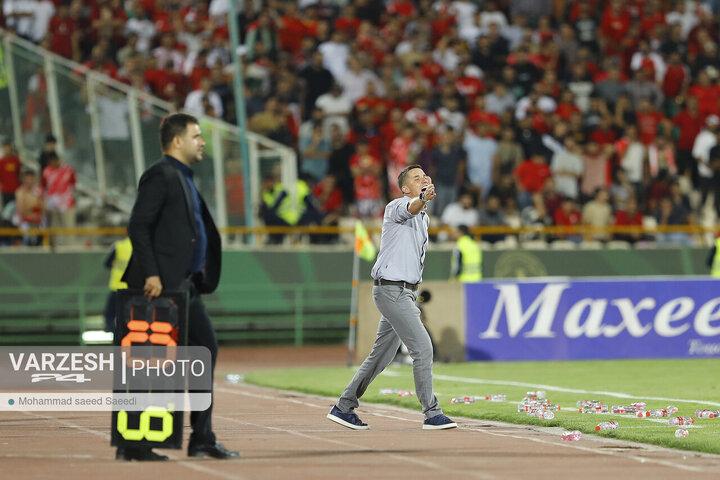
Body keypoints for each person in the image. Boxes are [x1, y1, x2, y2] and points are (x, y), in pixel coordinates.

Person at [120, 113, 238, 461]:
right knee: (151, 364)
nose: (202, 142)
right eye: (197, 136)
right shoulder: (161, 174)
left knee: (204, 351)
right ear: (177, 141)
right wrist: (152, 274)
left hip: (185, 288)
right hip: (160, 288)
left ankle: (202, 437)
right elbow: (138, 227)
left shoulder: (183, 178)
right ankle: (136, 444)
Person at [327, 164, 457, 431]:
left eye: (425, 176)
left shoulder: (424, 218)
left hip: (404, 293)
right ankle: (431, 413)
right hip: (391, 289)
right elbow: (410, 208)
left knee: (380, 357)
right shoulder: (396, 206)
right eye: (416, 178)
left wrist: (411, 298)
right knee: (423, 348)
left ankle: (343, 406)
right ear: (406, 188)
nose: (423, 179)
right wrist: (420, 199)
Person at [103, 236, 132, 333]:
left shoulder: (119, 246)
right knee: (129, 316)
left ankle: (117, 337)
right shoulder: (140, 246)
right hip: (132, 289)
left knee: (109, 315)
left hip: (117, 287)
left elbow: (107, 263)